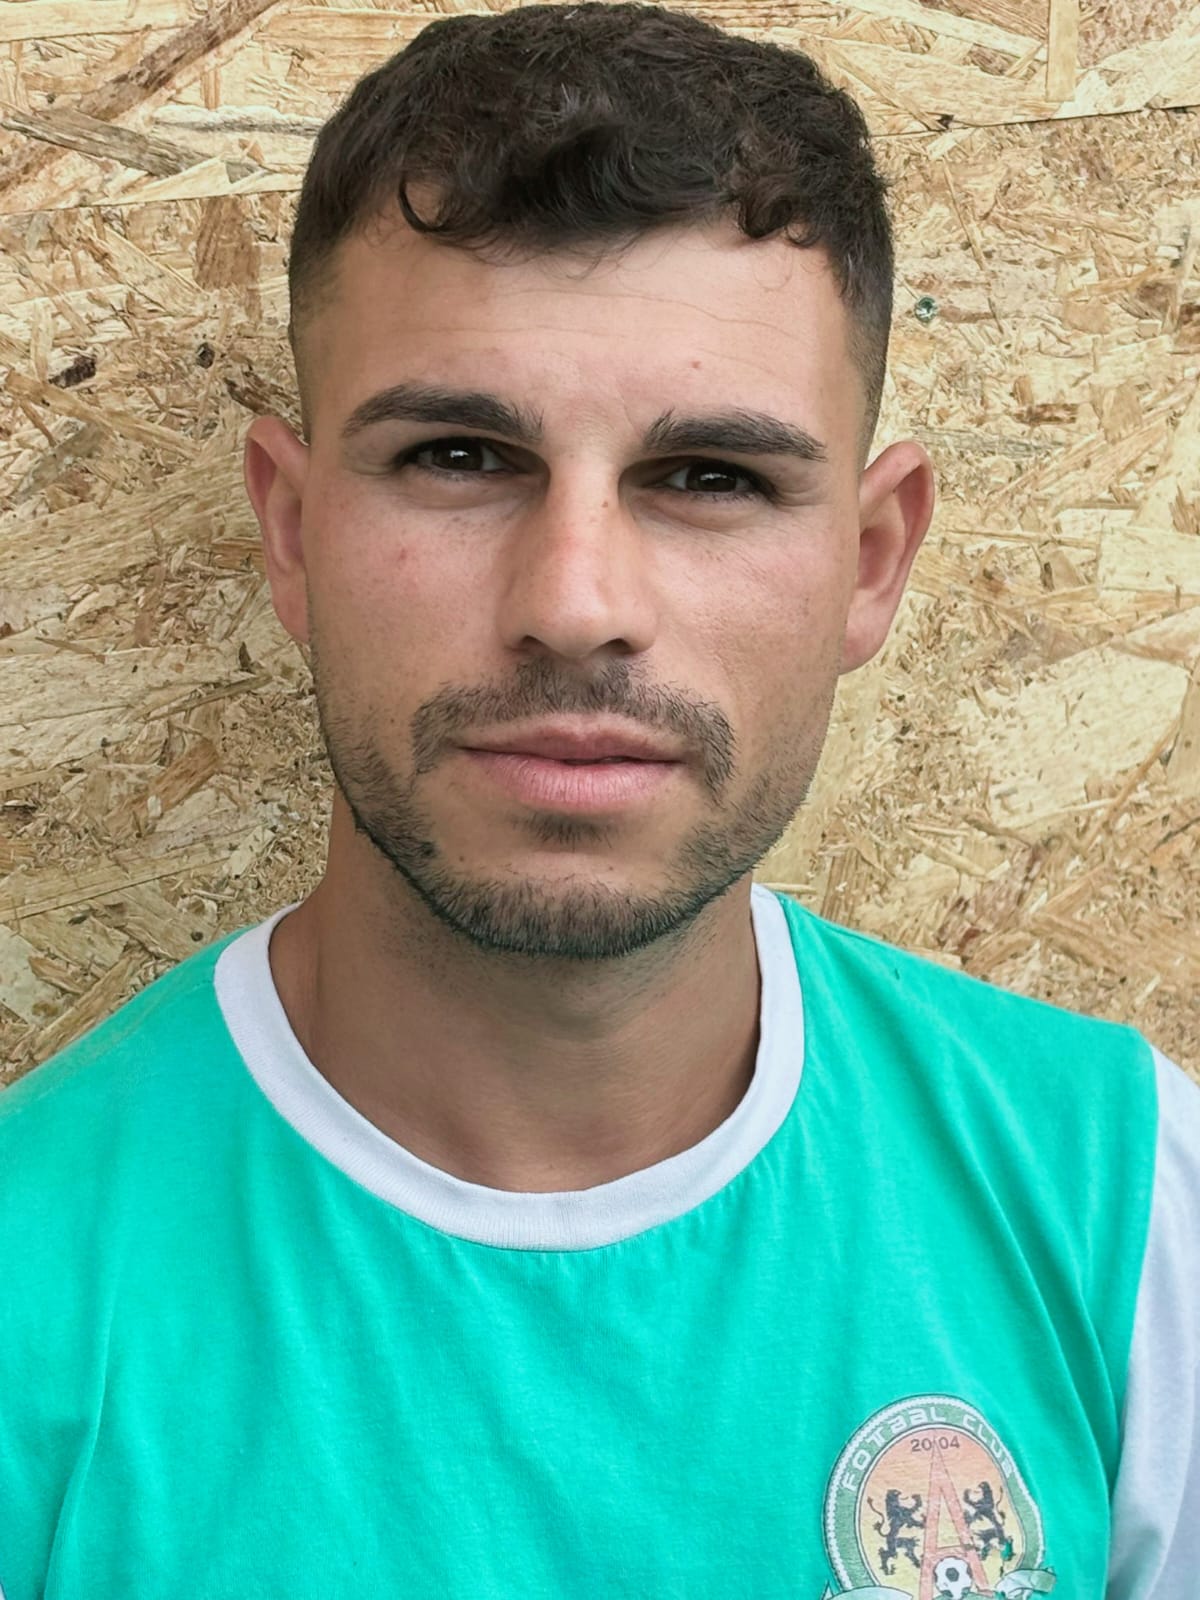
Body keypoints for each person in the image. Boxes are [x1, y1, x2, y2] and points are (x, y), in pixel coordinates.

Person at [0, 4, 1195, 1596]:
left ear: (868, 560)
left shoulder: (1130, 1217)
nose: (575, 604)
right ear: (291, 534)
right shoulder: (31, 1294)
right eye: (459, 456)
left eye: (709, 478)